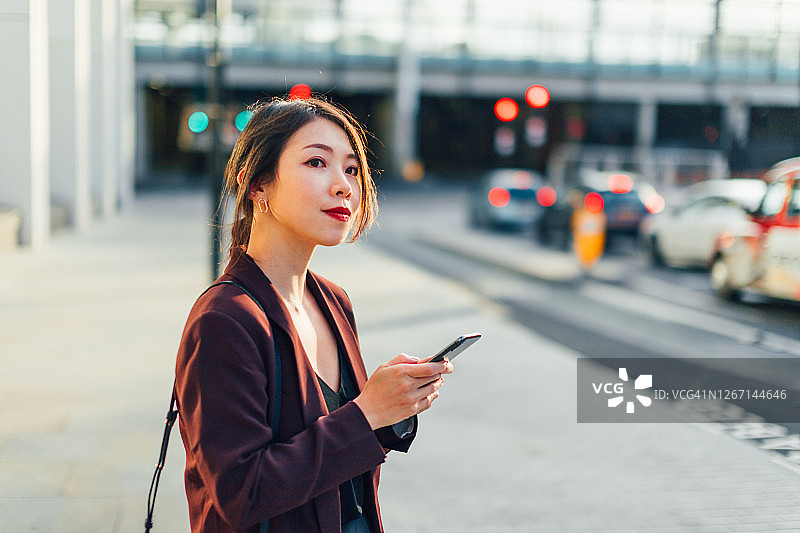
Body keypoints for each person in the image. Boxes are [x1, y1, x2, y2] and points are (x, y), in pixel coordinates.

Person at [174, 96, 453, 533]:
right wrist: (365, 413)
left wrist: (391, 407)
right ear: (256, 184)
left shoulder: (333, 300)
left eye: (352, 168)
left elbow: (338, 450)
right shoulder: (225, 320)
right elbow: (240, 494)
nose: (343, 185)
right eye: (317, 163)